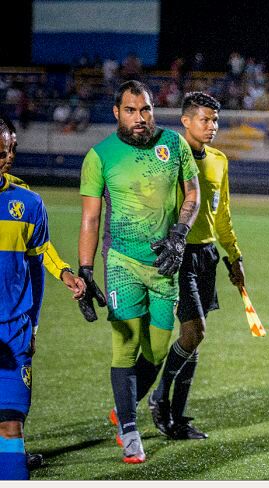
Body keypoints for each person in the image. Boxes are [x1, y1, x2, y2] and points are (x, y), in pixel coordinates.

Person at [77, 80, 200, 464]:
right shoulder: (100, 156)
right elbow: (90, 218)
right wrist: (85, 270)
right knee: (126, 343)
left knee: (158, 350)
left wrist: (180, 234)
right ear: (117, 113)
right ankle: (129, 429)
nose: (139, 118)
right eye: (130, 110)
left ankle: (124, 406)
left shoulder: (174, 145)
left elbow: (192, 193)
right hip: (121, 263)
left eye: (145, 109)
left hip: (165, 264)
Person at [148, 92, 245, 440]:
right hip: (179, 255)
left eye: (215, 120)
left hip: (207, 256)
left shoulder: (219, 160)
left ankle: (177, 416)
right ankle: (160, 396)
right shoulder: (171, 158)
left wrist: (234, 256)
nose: (212, 126)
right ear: (185, 121)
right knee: (195, 332)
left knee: (194, 339)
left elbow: (222, 214)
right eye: (204, 120)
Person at [0, 115, 86, 471]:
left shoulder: (29, 203)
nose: (6, 158)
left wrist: (64, 272)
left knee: (10, 424)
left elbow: (39, 258)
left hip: (14, 330)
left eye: (9, 151)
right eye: (1, 151)